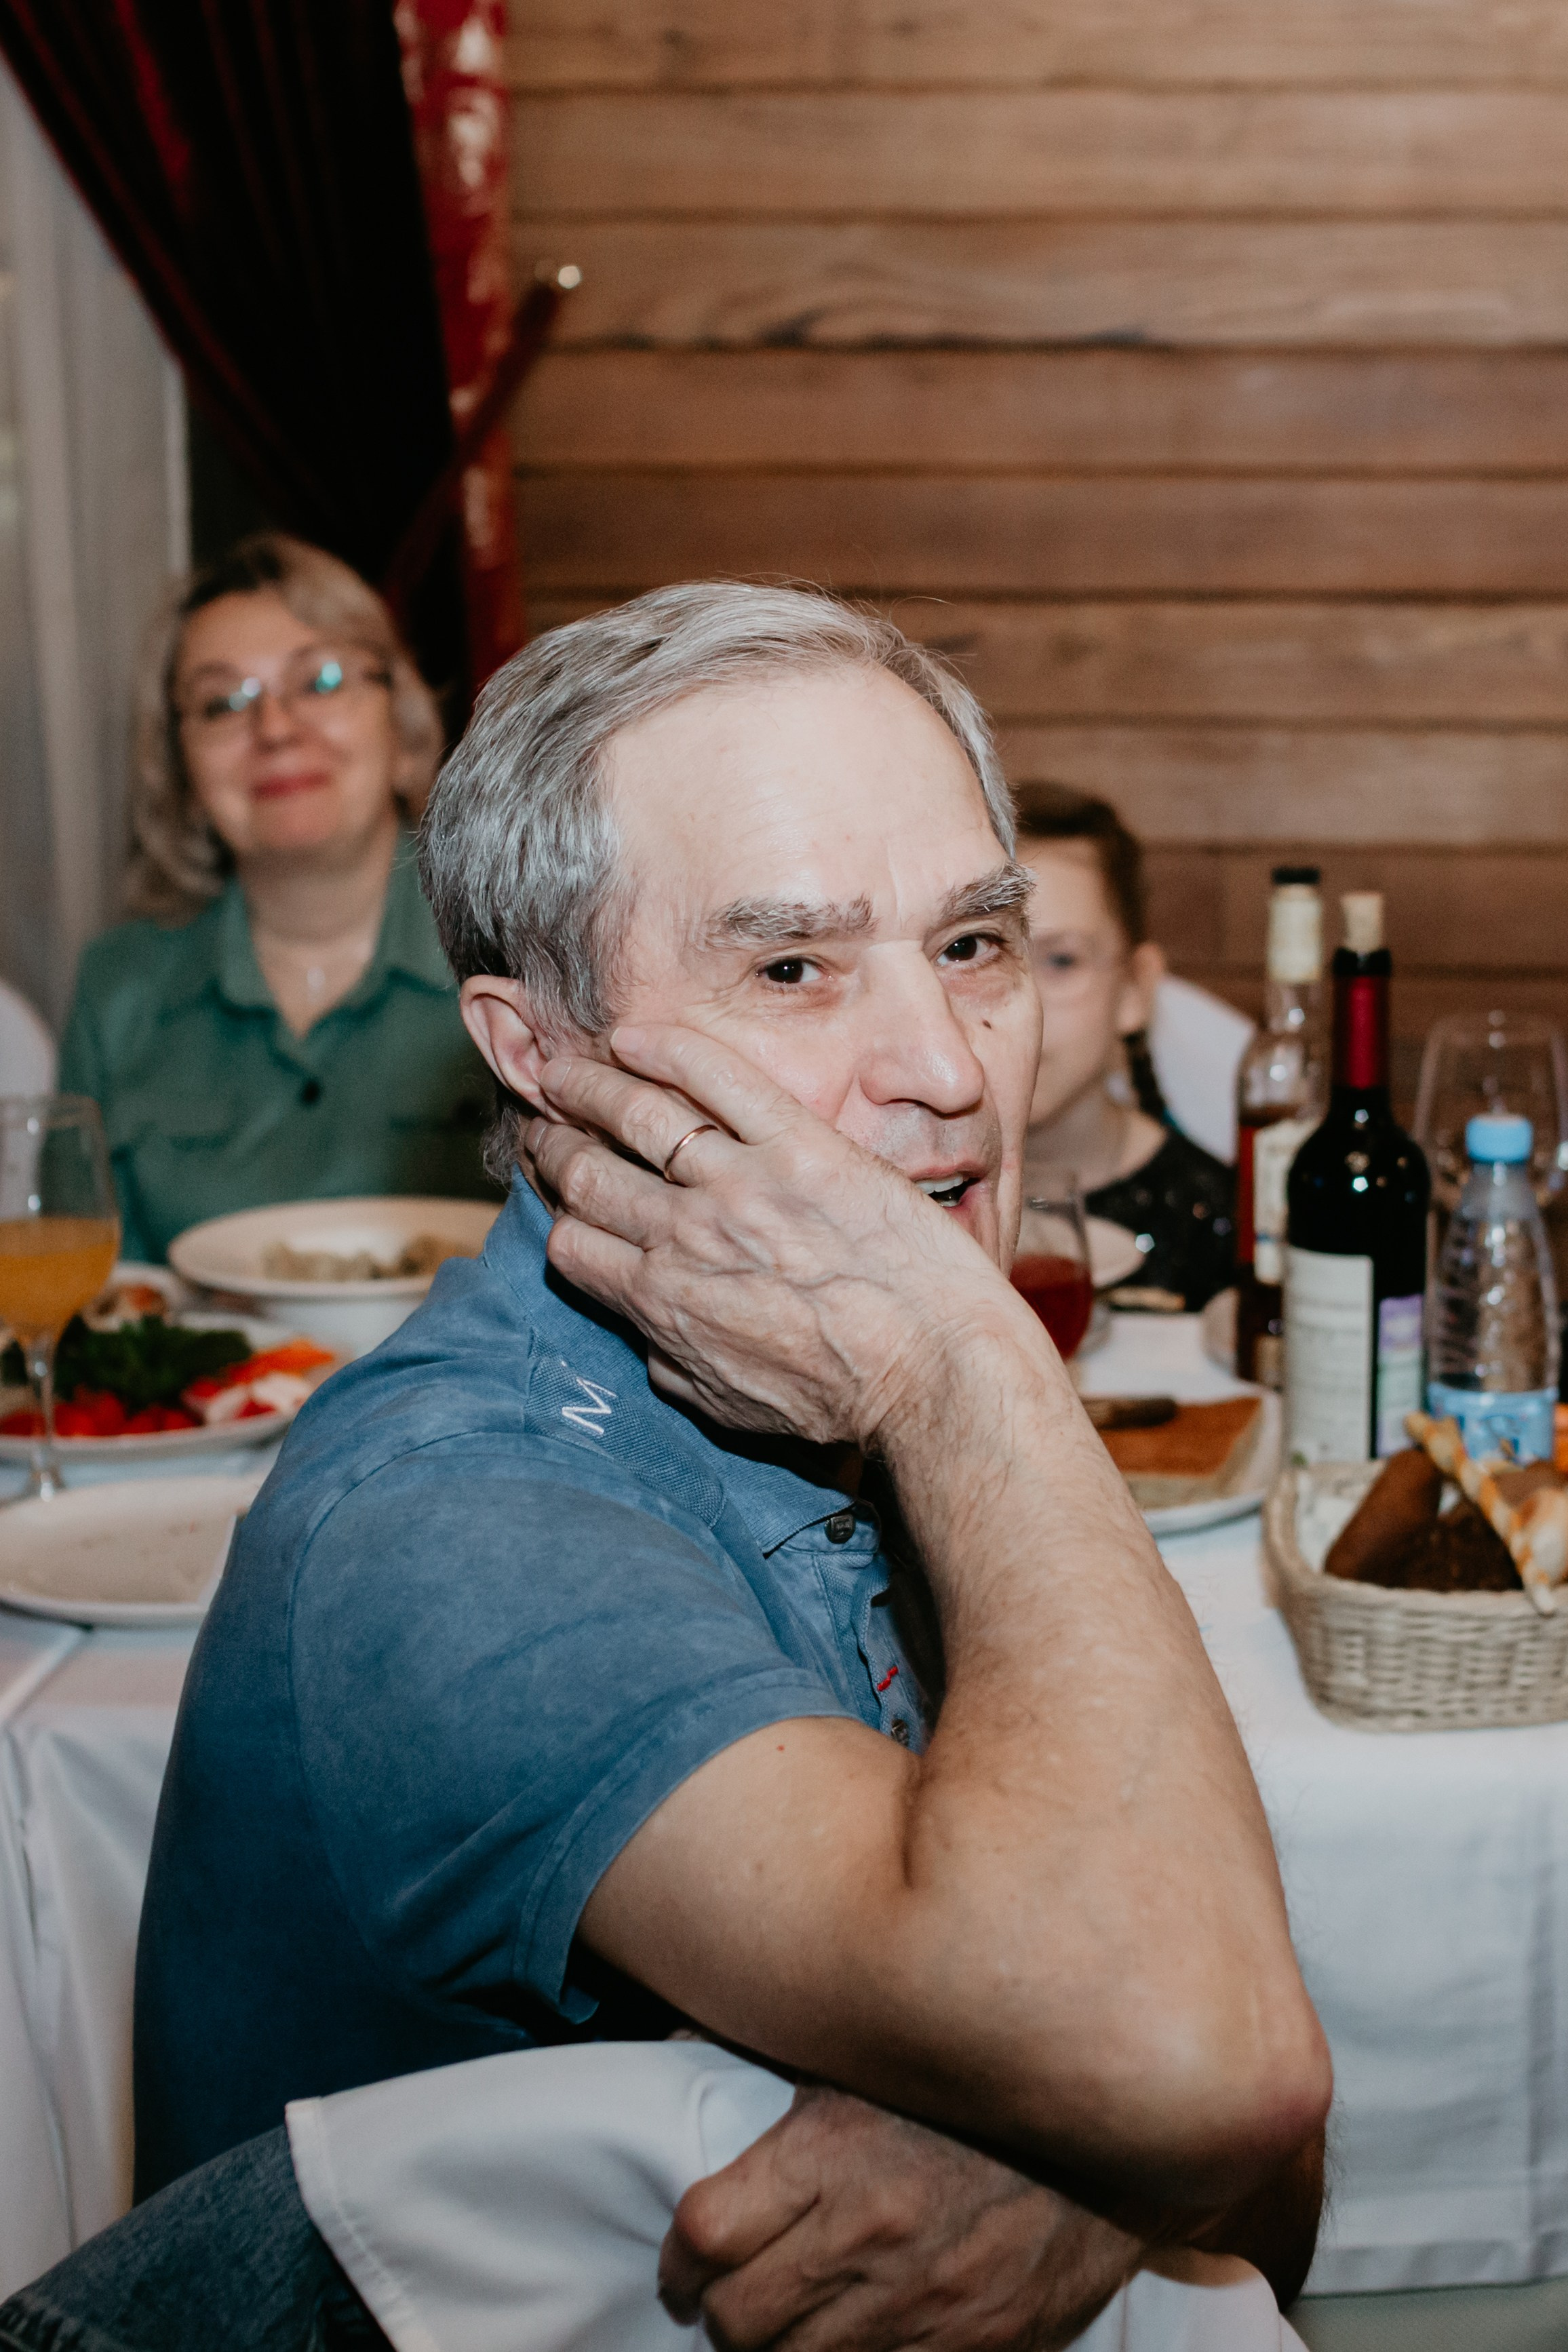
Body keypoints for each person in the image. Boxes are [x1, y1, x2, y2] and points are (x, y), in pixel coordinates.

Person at [6, 585, 1331, 2352]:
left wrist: (1093, 2183)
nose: (950, 1071)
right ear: (536, 1052)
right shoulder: (456, 1523)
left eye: (976, 945)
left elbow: (1272, 2121)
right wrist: (970, 1362)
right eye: (791, 966)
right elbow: (1201, 2054)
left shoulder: (847, 1400)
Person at [58, 533, 497, 1263]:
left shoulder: (515, 954)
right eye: (223, 702)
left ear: (403, 724)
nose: (275, 729)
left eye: (320, 681)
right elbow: (103, 1305)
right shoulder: (118, 991)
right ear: (179, 766)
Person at [1014, 781, 1236, 1310]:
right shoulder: (902, 1200)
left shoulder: (1217, 1214)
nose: (1024, 1007)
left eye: (1061, 961)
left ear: (1135, 989)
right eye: (980, 951)